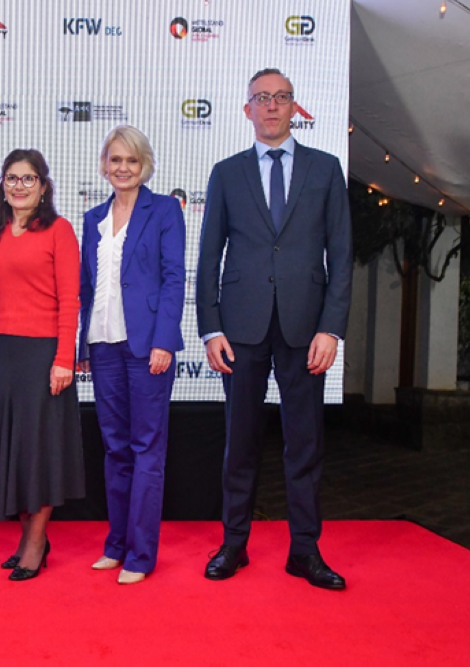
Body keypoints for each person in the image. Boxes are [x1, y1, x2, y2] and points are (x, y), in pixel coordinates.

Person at [196, 68, 353, 590]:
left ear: (294, 107)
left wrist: (332, 328)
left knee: (304, 444)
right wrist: (210, 328)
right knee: (239, 443)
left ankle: (305, 551)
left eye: (280, 97)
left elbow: (343, 255)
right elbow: (208, 256)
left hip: (306, 329)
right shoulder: (226, 173)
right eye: (261, 98)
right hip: (239, 329)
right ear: (247, 109)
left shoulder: (326, 170)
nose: (270, 107)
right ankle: (233, 545)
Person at [77, 125, 186, 585]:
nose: (123, 168)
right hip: (102, 347)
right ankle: (116, 545)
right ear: (104, 165)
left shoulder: (163, 211)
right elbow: (87, 287)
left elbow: (174, 278)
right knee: (115, 449)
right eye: (115, 160)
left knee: (146, 450)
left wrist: (164, 340)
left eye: (132, 161)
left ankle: (141, 555)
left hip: (146, 349)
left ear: (145, 166)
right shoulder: (92, 219)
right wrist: (83, 343)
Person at [0, 149, 84, 581]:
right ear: (3, 184)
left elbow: (70, 301)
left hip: (44, 357)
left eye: (28, 179)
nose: (19, 186)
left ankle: (36, 542)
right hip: (5, 356)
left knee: (39, 452)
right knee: (14, 452)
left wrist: (64, 361)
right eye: (12, 178)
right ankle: (26, 539)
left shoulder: (60, 230)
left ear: (43, 186)